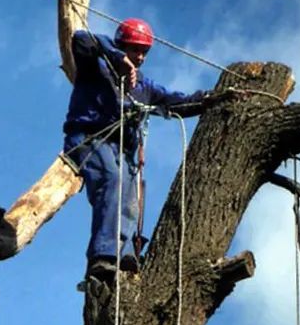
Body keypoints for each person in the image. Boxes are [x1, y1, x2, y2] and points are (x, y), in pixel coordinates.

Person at [62, 18, 213, 281]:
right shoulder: (96, 65)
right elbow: (81, 38)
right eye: (135, 50)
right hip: (89, 138)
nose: (140, 57)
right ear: (122, 45)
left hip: (122, 150)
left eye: (144, 52)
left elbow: (179, 103)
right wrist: (118, 57)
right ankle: (103, 256)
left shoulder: (144, 87)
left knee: (132, 197)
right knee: (113, 178)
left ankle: (125, 253)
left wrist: (211, 99)